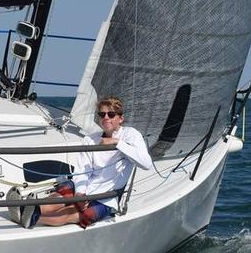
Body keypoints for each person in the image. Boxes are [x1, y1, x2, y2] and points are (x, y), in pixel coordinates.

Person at [19, 95, 153, 228]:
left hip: (106, 197)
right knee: (58, 198)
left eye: (111, 114)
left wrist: (117, 143)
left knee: (70, 213)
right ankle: (25, 210)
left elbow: (146, 164)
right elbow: (83, 170)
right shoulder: (90, 140)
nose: (106, 117)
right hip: (85, 186)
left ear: (120, 118)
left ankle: (34, 218)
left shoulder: (131, 135)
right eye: (102, 114)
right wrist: (80, 193)